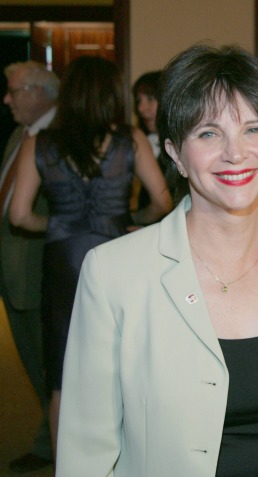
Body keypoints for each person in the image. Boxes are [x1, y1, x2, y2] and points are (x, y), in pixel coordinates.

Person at [55, 44, 258, 476]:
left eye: (253, 129)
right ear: (175, 153)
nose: (235, 153)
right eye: (209, 133)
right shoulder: (113, 272)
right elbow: (87, 450)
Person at [9, 55, 173, 460]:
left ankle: (69, 465)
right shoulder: (130, 139)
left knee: (63, 376)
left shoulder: (39, 143)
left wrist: (61, 227)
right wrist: (130, 221)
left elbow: (19, 215)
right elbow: (163, 201)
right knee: (124, 363)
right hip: (117, 250)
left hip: (64, 259)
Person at [1, 60, 57, 474]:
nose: (7, 99)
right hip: (12, 268)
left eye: (14, 91)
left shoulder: (59, 139)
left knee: (48, 366)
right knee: (31, 359)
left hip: (40, 271)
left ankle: (53, 444)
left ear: (40, 93)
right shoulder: (21, 135)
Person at [132, 70, 166, 209]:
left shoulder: (184, 146)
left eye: (150, 99)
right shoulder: (138, 142)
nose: (141, 108)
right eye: (138, 100)